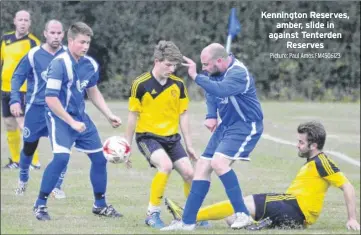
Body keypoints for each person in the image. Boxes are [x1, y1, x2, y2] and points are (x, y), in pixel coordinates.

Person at [164, 121, 360, 231]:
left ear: (314, 145)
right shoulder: (313, 163)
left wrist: (352, 219)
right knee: (232, 219)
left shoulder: (322, 162)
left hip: (294, 206)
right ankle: (262, 224)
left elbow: (348, 187)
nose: (297, 145)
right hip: (292, 211)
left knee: (243, 204)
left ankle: (188, 216)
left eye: (301, 142)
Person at [161, 43, 264, 231]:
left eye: (206, 64)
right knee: (202, 166)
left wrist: (195, 76)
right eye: (202, 65)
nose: (204, 69)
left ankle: (243, 214)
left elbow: (221, 90)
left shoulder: (238, 73)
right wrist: (211, 115)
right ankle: (188, 222)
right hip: (226, 126)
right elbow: (211, 93)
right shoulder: (214, 72)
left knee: (219, 163)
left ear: (220, 61)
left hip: (245, 125)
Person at [32, 22, 122, 221]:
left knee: (100, 159)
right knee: (62, 159)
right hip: (60, 118)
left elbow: (93, 90)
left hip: (81, 118)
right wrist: (71, 122)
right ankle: (40, 205)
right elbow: (51, 99)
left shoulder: (89, 64)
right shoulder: (59, 64)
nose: (85, 46)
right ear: (70, 41)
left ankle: (100, 205)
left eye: (88, 42)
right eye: (81, 42)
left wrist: (109, 114)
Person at [125, 40, 205, 229]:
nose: (172, 69)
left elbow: (183, 115)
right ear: (156, 61)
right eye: (168, 64)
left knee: (189, 173)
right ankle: (152, 213)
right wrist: (127, 146)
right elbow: (133, 115)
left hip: (171, 138)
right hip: (147, 137)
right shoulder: (140, 84)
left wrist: (189, 145)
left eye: (175, 65)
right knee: (166, 166)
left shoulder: (178, 85)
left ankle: (190, 214)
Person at [10, 20, 68, 199]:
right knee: (29, 148)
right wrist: (15, 100)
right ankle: (23, 179)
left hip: (59, 110)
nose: (56, 36)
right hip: (36, 109)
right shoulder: (33, 54)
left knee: (62, 150)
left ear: (63, 35)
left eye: (59, 33)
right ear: (45, 33)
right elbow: (17, 77)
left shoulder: (68, 55)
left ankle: (57, 186)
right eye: (52, 33)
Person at [1, 10, 41, 169]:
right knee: (9, 124)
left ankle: (34, 161)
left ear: (30, 23)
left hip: (23, 90)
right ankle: (16, 160)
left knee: (24, 125)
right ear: (14, 21)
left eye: (26, 20)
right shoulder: (5, 39)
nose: (23, 22)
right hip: (5, 89)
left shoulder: (33, 43)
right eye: (20, 19)